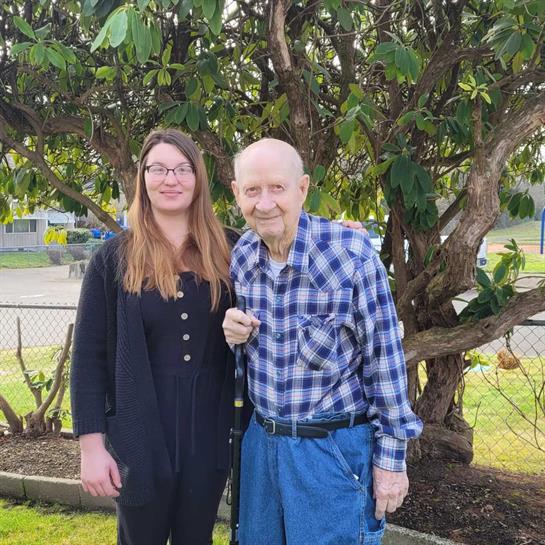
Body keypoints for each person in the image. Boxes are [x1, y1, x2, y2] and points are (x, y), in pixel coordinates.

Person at [222, 138, 423, 545]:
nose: (264, 203)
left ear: (303, 189)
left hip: (331, 452)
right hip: (262, 446)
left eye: (277, 187)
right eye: (252, 190)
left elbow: (384, 363)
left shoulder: (351, 256)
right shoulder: (242, 255)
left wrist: (391, 465)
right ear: (236, 194)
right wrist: (232, 334)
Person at [71, 128, 245, 545]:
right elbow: (89, 358)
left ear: (199, 178)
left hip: (209, 430)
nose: (172, 179)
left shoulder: (233, 250)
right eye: (159, 169)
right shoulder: (113, 259)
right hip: (137, 429)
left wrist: (338, 233)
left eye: (183, 168)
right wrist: (91, 448)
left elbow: (286, 252)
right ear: (143, 178)